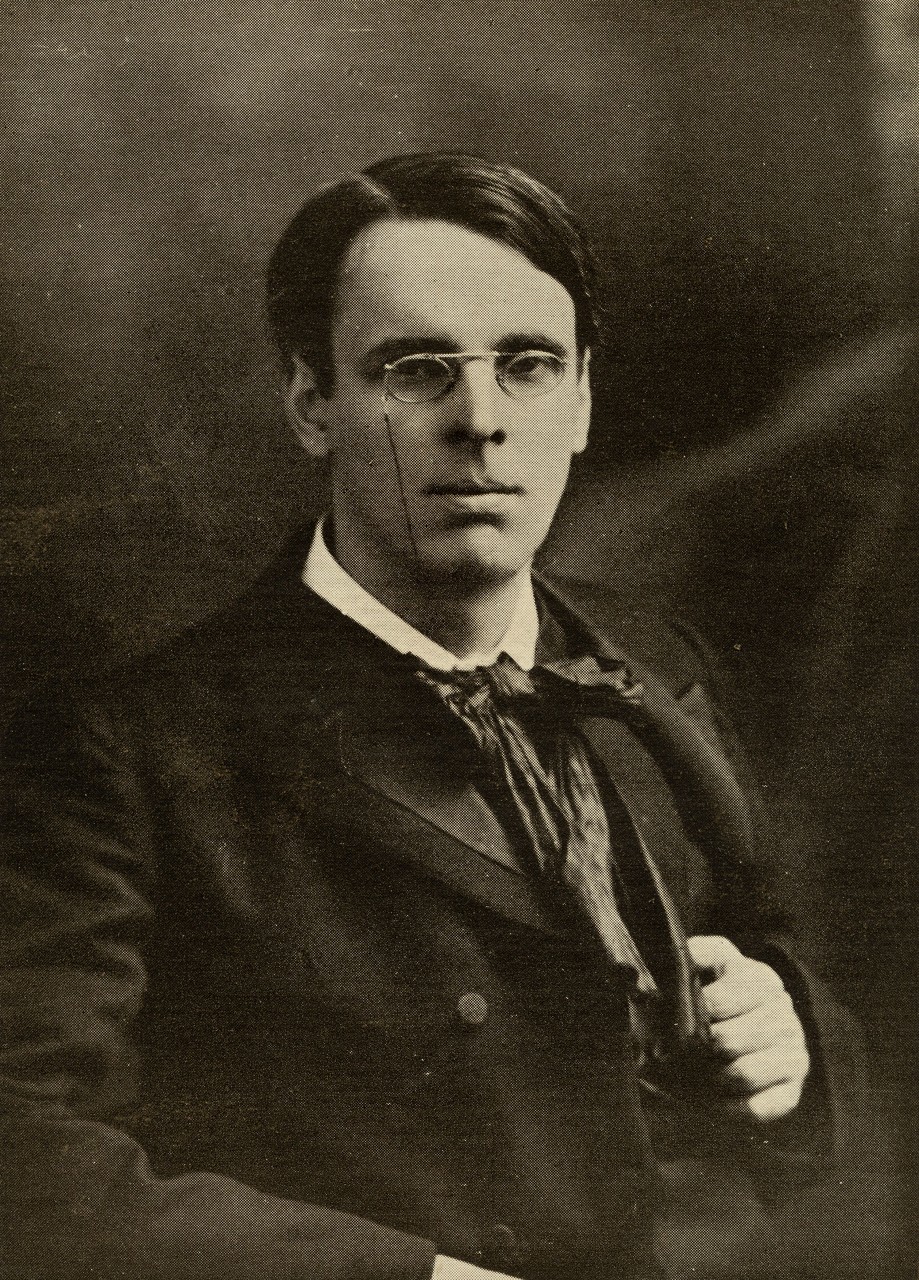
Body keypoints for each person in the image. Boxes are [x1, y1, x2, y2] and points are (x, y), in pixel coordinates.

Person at [0, 153, 865, 1280]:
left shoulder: (650, 662)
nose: (481, 422)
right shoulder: (128, 749)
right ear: (311, 403)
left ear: (583, 400)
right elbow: (29, 1156)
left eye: (529, 365)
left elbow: (777, 947)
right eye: (416, 371)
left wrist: (789, 1032)